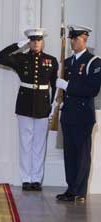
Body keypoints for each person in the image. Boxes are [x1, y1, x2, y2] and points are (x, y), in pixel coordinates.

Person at [0, 28, 58, 191]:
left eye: (39, 40)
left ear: (42, 42)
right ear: (29, 42)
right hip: (25, 104)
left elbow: (55, 85)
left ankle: (36, 179)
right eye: (33, 40)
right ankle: (26, 179)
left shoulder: (51, 60)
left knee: (39, 145)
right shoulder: (20, 59)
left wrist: (53, 105)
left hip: (43, 106)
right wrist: (17, 45)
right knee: (25, 143)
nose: (36, 43)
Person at [55, 25, 101, 202]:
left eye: (77, 38)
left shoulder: (94, 61)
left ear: (85, 39)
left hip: (83, 116)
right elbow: (60, 91)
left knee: (82, 154)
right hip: (68, 114)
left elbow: (92, 89)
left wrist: (67, 86)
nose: (73, 42)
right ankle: (71, 188)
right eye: (72, 39)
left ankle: (80, 192)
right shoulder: (67, 63)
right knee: (70, 154)